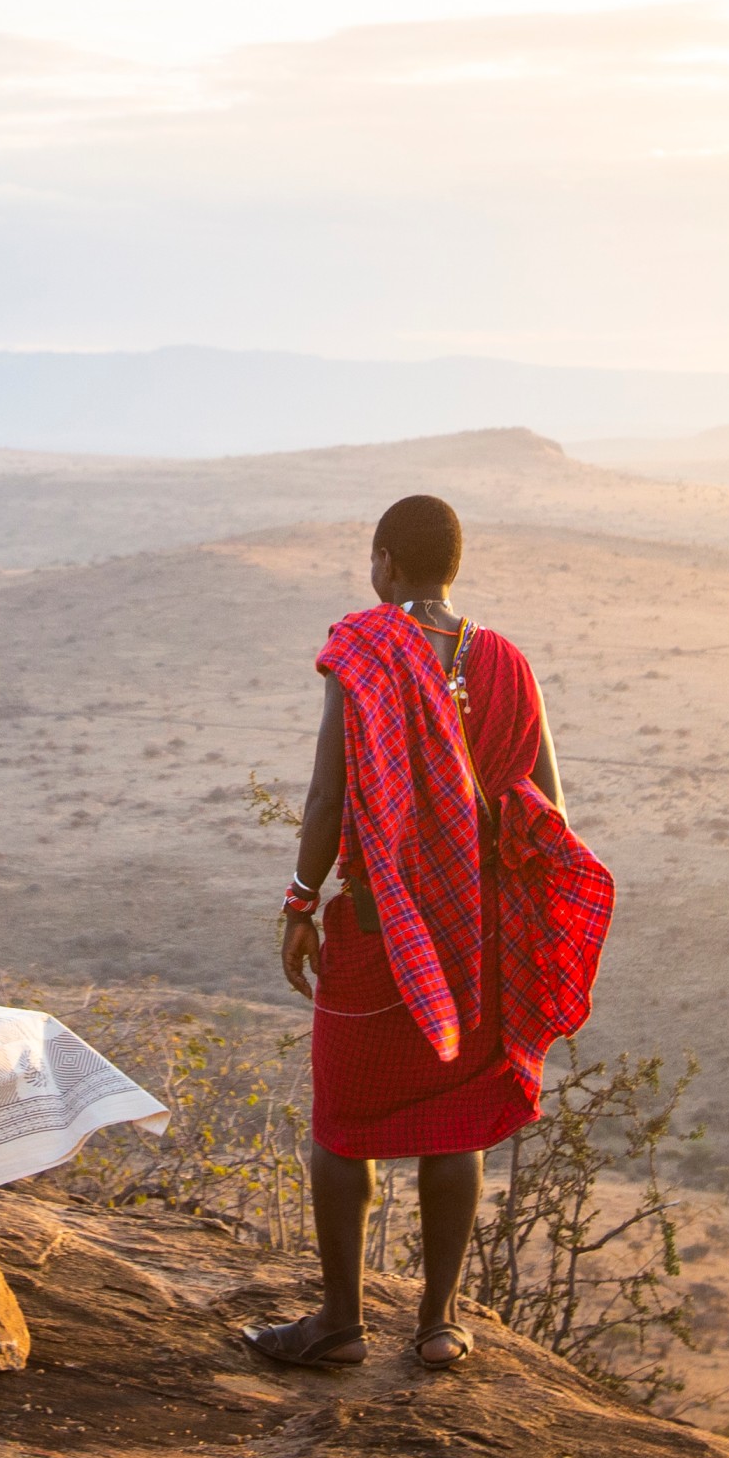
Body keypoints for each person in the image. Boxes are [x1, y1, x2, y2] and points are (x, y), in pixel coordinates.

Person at [245, 495, 615, 1373]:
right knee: (455, 1122)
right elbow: (550, 811)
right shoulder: (508, 662)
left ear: (384, 562)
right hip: (479, 933)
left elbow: (328, 797)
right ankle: (438, 1326)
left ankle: (337, 1323)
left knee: (343, 1123)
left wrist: (301, 901)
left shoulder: (366, 649)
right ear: (452, 564)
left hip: (381, 925)